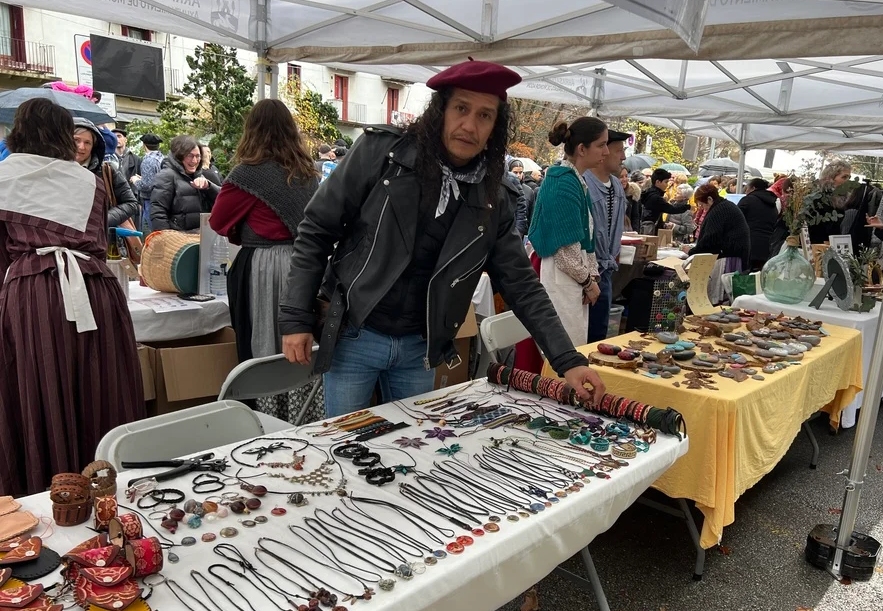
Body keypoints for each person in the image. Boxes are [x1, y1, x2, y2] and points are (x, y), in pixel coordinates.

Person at [278, 60, 604, 417]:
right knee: (344, 441)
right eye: (461, 108)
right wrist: (296, 317)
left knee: (409, 444)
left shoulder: (494, 196)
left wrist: (568, 360)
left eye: (485, 115)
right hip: (355, 333)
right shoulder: (380, 154)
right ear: (441, 111)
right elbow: (317, 229)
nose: (470, 126)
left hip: (420, 347)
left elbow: (522, 285)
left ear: (495, 127)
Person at [0, 98, 144, 495]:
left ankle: (47, 487)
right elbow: (97, 241)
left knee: (40, 384)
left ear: (19, 132)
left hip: (32, 295)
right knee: (99, 385)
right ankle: (105, 481)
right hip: (95, 291)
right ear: (64, 135)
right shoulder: (89, 182)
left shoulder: (4, 178)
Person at [209, 99, 322, 423]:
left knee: (265, 341)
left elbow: (218, 221)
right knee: (300, 343)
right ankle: (303, 415)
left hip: (264, 267)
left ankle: (269, 418)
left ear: (252, 130)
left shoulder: (247, 174)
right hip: (304, 264)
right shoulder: (307, 174)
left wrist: (242, 226)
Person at [528, 117, 607, 347]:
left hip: (570, 274)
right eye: (601, 145)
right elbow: (564, 252)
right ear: (582, 149)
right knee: (564, 349)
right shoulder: (562, 182)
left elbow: (586, 240)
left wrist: (592, 276)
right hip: (558, 274)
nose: (606, 152)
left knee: (573, 344)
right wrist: (588, 282)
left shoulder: (575, 179)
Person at [584, 129, 628, 342]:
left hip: (606, 273)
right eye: (619, 150)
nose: (623, 157)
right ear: (603, 152)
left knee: (599, 334)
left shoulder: (617, 186)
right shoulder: (582, 183)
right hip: (583, 275)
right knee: (580, 335)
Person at [688, 183, 751, 304]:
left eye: (702, 204)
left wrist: (692, 252)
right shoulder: (724, 206)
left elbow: (711, 239)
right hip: (733, 254)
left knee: (720, 296)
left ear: (709, 199)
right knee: (725, 295)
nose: (702, 208)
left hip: (728, 256)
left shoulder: (719, 210)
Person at [73, 118, 139, 230]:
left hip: (97, 236)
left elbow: (131, 203)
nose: (81, 147)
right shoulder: (54, 169)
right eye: (76, 140)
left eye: (87, 142)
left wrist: (103, 220)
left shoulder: (106, 170)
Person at [150, 135, 220, 233]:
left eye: (198, 156)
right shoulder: (166, 176)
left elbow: (222, 201)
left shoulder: (200, 175)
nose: (194, 161)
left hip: (201, 235)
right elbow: (158, 212)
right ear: (179, 156)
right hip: (178, 238)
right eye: (190, 156)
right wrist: (166, 237)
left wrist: (209, 187)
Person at [807, 160, 853, 244]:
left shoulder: (844, 200)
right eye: (844, 177)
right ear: (831, 177)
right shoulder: (817, 198)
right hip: (816, 245)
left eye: (849, 178)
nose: (847, 181)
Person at [738, 177, 780, 270]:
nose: (746, 191)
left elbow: (736, 219)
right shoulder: (773, 204)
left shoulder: (747, 200)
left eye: (747, 188)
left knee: (746, 275)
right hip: (768, 246)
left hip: (749, 245)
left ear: (753, 188)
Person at [639, 167, 692, 235]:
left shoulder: (650, 193)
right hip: (651, 230)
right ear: (658, 182)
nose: (667, 184)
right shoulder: (655, 197)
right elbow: (671, 209)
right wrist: (688, 207)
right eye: (666, 182)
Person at [132, 133, 163, 232]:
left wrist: (135, 180)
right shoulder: (162, 158)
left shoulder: (148, 161)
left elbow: (146, 186)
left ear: (144, 145)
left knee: (151, 232)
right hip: (161, 199)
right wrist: (142, 178)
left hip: (150, 201)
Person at [505, 158, 529, 235]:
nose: (518, 175)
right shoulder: (504, 186)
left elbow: (525, 211)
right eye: (515, 172)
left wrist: (519, 231)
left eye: (520, 172)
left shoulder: (529, 191)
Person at [622, 166, 642, 233]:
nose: (625, 179)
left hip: (629, 232)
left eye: (626, 176)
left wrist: (635, 232)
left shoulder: (633, 192)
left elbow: (635, 216)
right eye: (621, 177)